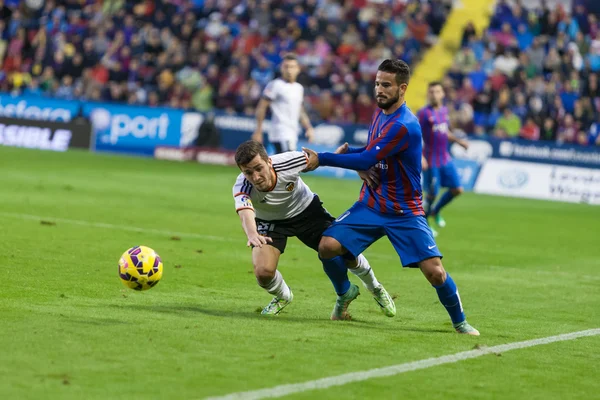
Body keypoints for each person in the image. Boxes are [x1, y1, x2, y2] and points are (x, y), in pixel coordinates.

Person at [302, 59, 479, 335]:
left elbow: (371, 156)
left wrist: (324, 158)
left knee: (435, 272)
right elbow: (372, 152)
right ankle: (345, 293)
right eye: (377, 84)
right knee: (327, 246)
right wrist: (354, 159)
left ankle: (460, 322)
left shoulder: (405, 124)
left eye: (386, 85)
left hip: (404, 212)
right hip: (371, 204)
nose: (379, 90)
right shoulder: (380, 113)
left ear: (402, 88)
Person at [232, 140, 395, 319]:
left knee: (345, 252)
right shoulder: (242, 185)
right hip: (271, 222)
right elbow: (245, 212)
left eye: (258, 168)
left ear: (269, 161)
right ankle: (283, 297)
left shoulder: (288, 162)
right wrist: (252, 234)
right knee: (263, 272)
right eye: (248, 172)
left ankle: (375, 287)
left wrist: (357, 167)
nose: (255, 177)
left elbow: (319, 160)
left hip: (307, 212)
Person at [417, 82, 469, 237]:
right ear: (428, 94)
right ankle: (425, 224)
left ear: (442, 94)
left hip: (445, 158)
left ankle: (435, 211)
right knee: (432, 194)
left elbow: (444, 131)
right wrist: (420, 156)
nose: (434, 94)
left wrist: (459, 141)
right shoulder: (424, 113)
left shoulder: (445, 111)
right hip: (431, 160)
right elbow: (414, 135)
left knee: (457, 189)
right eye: (431, 91)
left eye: (437, 91)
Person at [251, 53, 314, 153]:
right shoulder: (275, 85)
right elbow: (262, 107)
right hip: (281, 132)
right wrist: (258, 130)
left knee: (281, 167)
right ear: (281, 68)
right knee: (291, 165)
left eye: (292, 67)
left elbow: (300, 110)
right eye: (286, 67)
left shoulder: (299, 88)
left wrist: (308, 127)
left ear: (298, 69)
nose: (289, 70)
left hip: (292, 133)